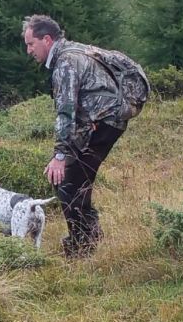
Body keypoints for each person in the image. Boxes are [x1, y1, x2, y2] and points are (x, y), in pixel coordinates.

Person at [22, 14, 132, 257]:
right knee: (77, 180)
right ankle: (88, 234)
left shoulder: (65, 63)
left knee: (69, 181)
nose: (28, 50)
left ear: (47, 40)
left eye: (31, 44)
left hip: (103, 123)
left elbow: (66, 111)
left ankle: (82, 245)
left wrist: (60, 154)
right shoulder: (71, 51)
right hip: (105, 121)